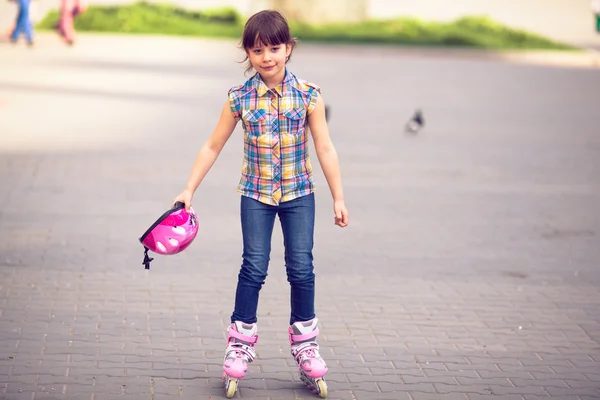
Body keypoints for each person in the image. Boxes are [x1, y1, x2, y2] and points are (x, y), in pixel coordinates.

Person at [171, 9, 348, 398]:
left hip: (300, 195)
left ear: (289, 48)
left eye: (274, 48)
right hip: (256, 195)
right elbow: (212, 144)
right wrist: (189, 189)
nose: (266, 57)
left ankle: (306, 347)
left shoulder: (309, 95)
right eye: (257, 50)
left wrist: (338, 196)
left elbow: (325, 147)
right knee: (254, 266)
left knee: (301, 268)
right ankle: (239, 343)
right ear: (247, 54)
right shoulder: (239, 98)